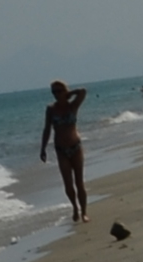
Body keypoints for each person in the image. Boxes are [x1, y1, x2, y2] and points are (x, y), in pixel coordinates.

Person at [39, 82, 88, 221]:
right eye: (53, 92)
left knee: (79, 182)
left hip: (75, 147)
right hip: (61, 150)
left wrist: (69, 94)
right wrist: (43, 148)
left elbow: (83, 91)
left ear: (64, 90)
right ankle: (75, 207)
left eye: (59, 91)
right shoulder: (51, 109)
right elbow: (47, 129)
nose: (56, 94)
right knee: (68, 183)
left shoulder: (72, 106)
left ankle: (84, 213)